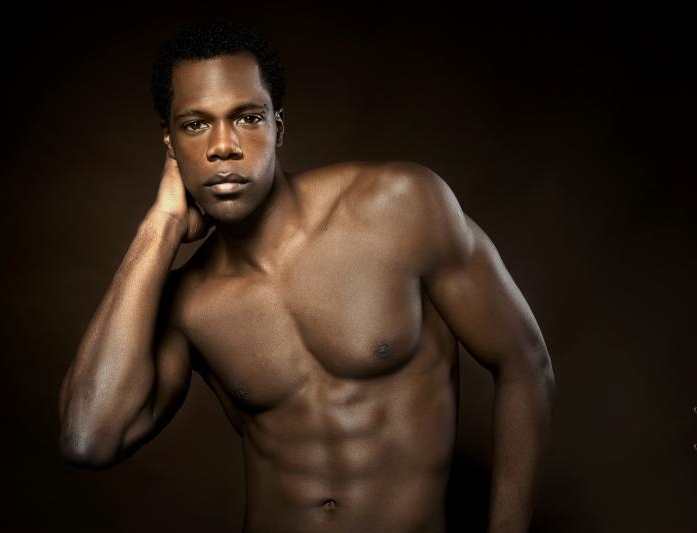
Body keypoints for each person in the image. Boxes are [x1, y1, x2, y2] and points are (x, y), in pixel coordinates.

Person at [59, 20, 556, 533]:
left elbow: (525, 362)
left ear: (278, 127)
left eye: (247, 117)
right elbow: (87, 440)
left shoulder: (399, 206)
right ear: (170, 144)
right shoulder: (188, 301)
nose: (223, 146)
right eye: (195, 124)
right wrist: (158, 228)